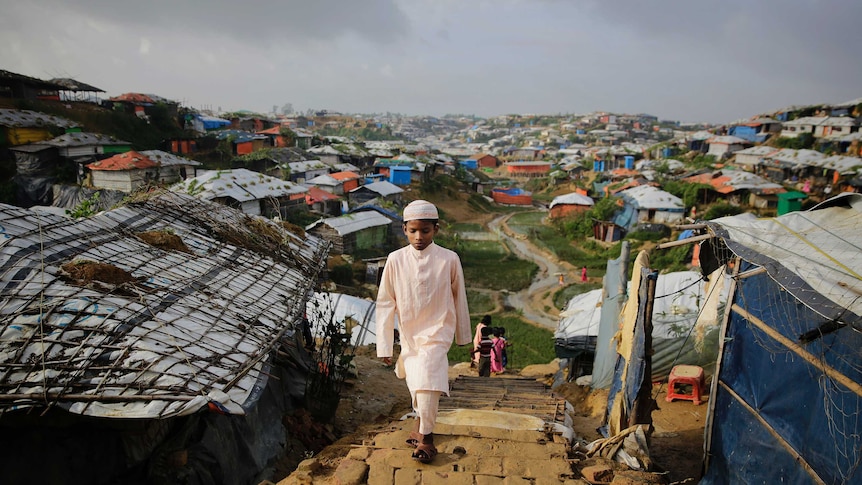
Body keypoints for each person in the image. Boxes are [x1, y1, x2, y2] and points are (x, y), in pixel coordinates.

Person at [376, 200, 472, 464]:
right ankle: (420, 423)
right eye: (413, 231)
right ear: (404, 229)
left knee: (428, 381)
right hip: (410, 334)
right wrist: (385, 346)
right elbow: (385, 303)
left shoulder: (449, 259)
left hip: (439, 331)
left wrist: (463, 335)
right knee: (416, 383)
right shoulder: (395, 260)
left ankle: (427, 439)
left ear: (436, 230)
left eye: (425, 231)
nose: (419, 237)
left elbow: (459, 297)